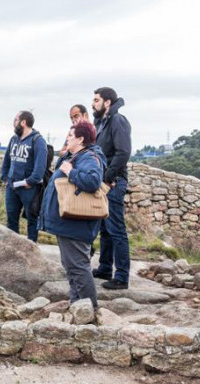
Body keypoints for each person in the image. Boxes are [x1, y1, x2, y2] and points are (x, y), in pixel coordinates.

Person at [39, 121, 106, 308]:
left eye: (70, 136)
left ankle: (89, 310)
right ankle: (77, 305)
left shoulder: (89, 158)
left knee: (78, 267)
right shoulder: (77, 156)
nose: (67, 139)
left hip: (75, 224)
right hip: (69, 223)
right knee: (72, 268)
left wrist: (71, 172)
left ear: (81, 139)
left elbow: (93, 181)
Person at [91, 87, 132, 290]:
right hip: (103, 180)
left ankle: (122, 276)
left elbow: (123, 152)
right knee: (105, 229)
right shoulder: (100, 122)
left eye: (96, 100)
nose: (93, 103)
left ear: (107, 102)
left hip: (114, 182)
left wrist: (107, 178)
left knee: (116, 230)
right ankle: (105, 268)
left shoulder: (117, 120)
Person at [0, 110, 47, 242]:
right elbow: (6, 161)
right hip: (12, 187)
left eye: (15, 120)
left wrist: (30, 182)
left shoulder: (38, 141)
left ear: (23, 122)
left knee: (32, 222)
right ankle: (13, 250)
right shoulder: (13, 139)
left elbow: (40, 168)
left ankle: (32, 252)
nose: (13, 124)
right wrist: (5, 177)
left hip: (29, 189)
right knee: (11, 221)